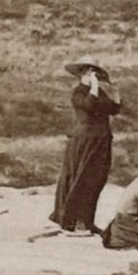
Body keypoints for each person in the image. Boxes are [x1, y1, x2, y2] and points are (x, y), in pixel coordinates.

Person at [51, 55, 121, 235]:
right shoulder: (79, 92)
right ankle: (75, 221)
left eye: (96, 72)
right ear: (83, 73)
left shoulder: (99, 93)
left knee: (97, 180)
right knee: (83, 179)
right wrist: (96, 87)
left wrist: (115, 92)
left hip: (101, 139)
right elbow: (89, 105)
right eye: (91, 72)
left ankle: (88, 220)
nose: (94, 75)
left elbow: (114, 109)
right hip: (85, 140)